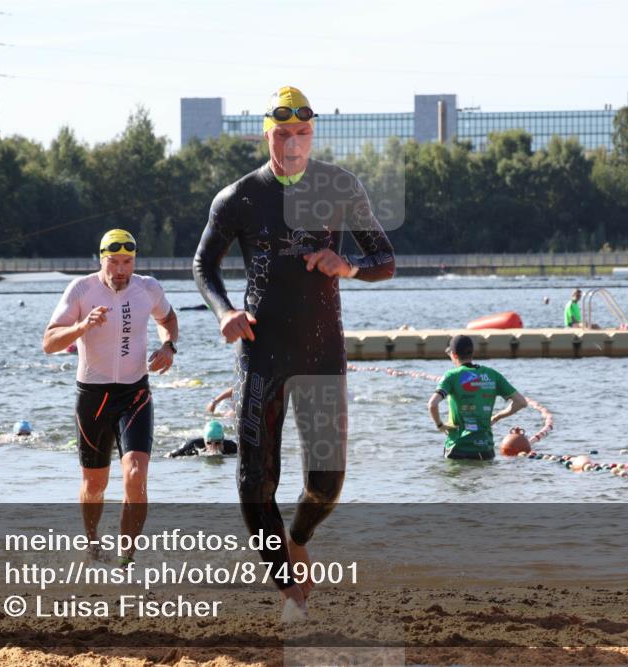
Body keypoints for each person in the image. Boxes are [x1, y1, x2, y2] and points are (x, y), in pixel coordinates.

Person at [193, 85, 395, 618]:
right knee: (255, 481)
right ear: (268, 134)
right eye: (282, 133)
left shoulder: (339, 185)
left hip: (323, 352)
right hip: (261, 355)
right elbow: (202, 265)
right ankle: (289, 590)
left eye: (302, 133)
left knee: (327, 485)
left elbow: (385, 259)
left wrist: (346, 265)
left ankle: (298, 537)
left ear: (312, 135)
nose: (292, 143)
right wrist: (223, 312)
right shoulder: (238, 197)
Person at [43, 229, 179, 565]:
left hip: (135, 393)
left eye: (127, 262)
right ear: (101, 259)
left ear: (135, 261)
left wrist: (168, 346)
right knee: (94, 485)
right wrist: (81, 327)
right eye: (114, 261)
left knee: (135, 474)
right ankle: (92, 543)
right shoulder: (81, 289)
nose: (121, 270)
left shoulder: (148, 288)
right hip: (93, 397)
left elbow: (169, 318)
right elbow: (49, 342)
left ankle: (125, 558)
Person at [428, 335, 527, 460]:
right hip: (485, 449)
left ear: (453, 354)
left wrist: (440, 425)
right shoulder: (492, 374)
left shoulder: (451, 375)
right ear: (472, 353)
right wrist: (497, 417)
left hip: (458, 447)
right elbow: (521, 402)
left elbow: (432, 404)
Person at [166, 420, 238, 457]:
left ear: (223, 440)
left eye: (217, 443)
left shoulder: (232, 447)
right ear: (204, 441)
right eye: (209, 443)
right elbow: (170, 456)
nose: (213, 446)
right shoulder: (193, 446)